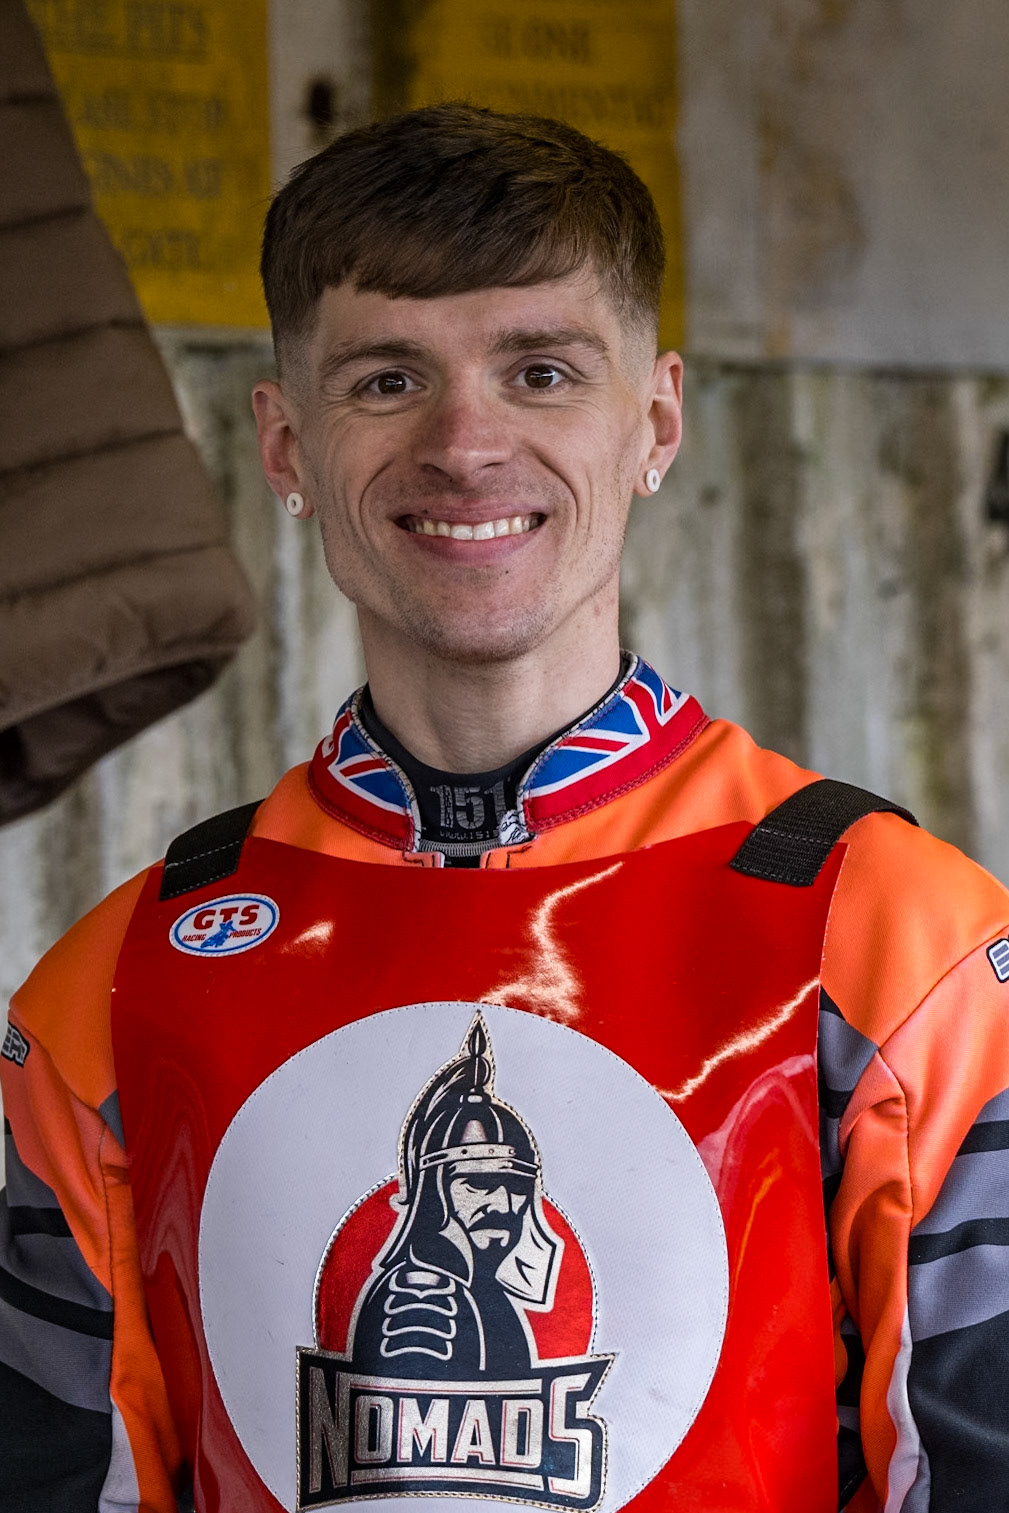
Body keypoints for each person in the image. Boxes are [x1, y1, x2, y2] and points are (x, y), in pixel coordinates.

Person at [2, 102, 1009, 1513]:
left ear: (655, 421)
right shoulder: (112, 989)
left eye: (540, 371)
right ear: (284, 445)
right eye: (385, 379)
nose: (465, 444)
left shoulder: (903, 944)